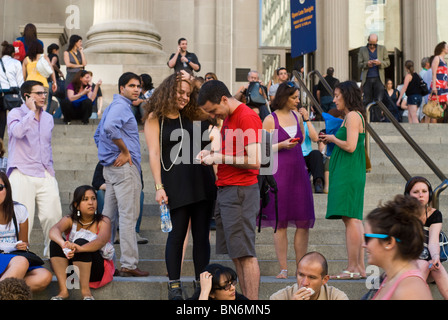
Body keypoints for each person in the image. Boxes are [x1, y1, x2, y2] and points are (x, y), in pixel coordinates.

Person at [143, 72, 216, 300]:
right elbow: (154, 154)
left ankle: (200, 284)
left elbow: (209, 94)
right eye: (179, 92)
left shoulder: (197, 114)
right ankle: (174, 286)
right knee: (176, 235)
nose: (184, 97)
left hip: (202, 180)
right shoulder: (155, 117)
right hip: (174, 183)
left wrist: (193, 81)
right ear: (167, 91)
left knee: (202, 236)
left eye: (187, 93)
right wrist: (158, 187)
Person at [196, 80, 262, 300]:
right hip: (227, 189)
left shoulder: (247, 116)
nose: (213, 115)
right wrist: (210, 154)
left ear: (224, 99)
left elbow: (255, 161)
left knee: (245, 255)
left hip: (240, 191)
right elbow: (232, 153)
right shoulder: (229, 118)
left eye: (213, 110)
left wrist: (219, 157)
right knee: (237, 254)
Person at [94, 72, 149, 278]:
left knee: (108, 218)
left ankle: (107, 263)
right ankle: (128, 263)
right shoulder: (120, 107)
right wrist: (124, 152)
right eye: (132, 86)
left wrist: (108, 155)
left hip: (112, 170)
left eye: (138, 86)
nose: (136, 89)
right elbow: (107, 128)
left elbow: (98, 135)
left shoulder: (112, 106)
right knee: (127, 217)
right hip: (125, 170)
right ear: (121, 88)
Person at [261, 82, 315, 279]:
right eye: (294, 97)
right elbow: (262, 150)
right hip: (279, 174)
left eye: (298, 97)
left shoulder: (298, 116)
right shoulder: (269, 119)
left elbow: (307, 141)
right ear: (284, 98)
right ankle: (283, 268)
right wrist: (281, 144)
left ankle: (301, 267)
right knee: (280, 222)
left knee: (303, 221)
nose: (298, 101)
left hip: (299, 174)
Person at [7, 80, 63, 258]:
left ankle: (52, 256)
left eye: (44, 92)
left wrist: (50, 170)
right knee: (24, 219)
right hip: (21, 172)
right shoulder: (16, 113)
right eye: (38, 93)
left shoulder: (47, 117)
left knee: (53, 216)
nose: (43, 96)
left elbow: (47, 145)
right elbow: (16, 132)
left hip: (45, 172)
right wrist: (30, 113)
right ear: (27, 96)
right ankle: (20, 258)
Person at [319, 81, 366, 280]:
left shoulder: (353, 116)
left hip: (349, 172)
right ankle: (359, 268)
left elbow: (351, 146)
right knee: (351, 219)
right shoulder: (350, 116)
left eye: (337, 95)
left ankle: (354, 268)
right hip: (347, 171)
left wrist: (332, 139)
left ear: (347, 96)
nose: (334, 99)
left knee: (352, 219)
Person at [49, 185, 115, 300]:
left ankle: (86, 293)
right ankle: (63, 291)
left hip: (96, 269)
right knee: (55, 243)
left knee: (80, 242)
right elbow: (53, 230)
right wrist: (63, 244)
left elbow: (101, 241)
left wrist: (79, 248)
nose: (91, 203)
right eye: (85, 199)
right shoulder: (70, 219)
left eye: (93, 198)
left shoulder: (103, 221)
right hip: (73, 270)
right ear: (77, 205)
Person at [364, 195, 433, 300]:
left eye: (367, 238)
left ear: (389, 242)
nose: (363, 245)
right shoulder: (390, 279)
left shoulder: (410, 290)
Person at [0, 171, 52, 293]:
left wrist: (23, 245)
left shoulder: (19, 210)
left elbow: (24, 243)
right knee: (21, 261)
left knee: (44, 276)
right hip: (14, 260)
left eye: (0, 187)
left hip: (14, 257)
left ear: (7, 189)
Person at [404, 176, 448, 299]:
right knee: (423, 264)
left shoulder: (434, 214)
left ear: (429, 194)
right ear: (408, 195)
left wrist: (435, 258)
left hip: (425, 262)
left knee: (436, 267)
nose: (421, 195)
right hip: (407, 264)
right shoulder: (402, 214)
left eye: (424, 191)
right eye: (416, 192)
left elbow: (433, 241)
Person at [91, 162, 147, 244]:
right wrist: (113, 187)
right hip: (109, 192)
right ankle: (109, 232)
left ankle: (133, 232)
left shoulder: (133, 163)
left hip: (128, 192)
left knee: (140, 194)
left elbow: (140, 184)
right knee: (100, 193)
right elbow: (96, 183)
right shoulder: (103, 163)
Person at [270, 252, 349, 300]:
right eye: (301, 275)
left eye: (312, 277)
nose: (304, 283)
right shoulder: (279, 297)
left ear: (324, 280)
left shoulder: (336, 297)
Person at [358, 34, 390, 120]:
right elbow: (359, 64)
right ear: (368, 42)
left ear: (377, 42)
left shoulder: (382, 49)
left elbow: (387, 62)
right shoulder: (362, 49)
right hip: (367, 78)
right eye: (370, 44)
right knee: (367, 100)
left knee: (378, 101)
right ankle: (367, 119)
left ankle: (377, 120)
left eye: (374, 44)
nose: (372, 46)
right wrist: (366, 64)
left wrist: (380, 63)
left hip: (378, 78)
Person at [0, 41, 24, 140]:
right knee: (15, 118)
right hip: (12, 94)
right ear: (13, 53)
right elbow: (20, 81)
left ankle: (0, 143)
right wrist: (23, 98)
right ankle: (15, 141)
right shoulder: (16, 63)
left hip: (0, 93)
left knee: (1, 121)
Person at [22, 40, 57, 106]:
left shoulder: (26, 60)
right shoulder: (44, 57)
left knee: (31, 106)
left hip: (30, 86)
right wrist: (54, 83)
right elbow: (51, 70)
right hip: (43, 85)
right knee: (43, 105)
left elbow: (23, 76)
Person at [299, 107, 325, 193]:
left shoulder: (306, 124)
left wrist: (307, 120)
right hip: (294, 156)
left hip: (307, 156)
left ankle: (318, 182)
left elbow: (315, 138)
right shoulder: (287, 124)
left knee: (316, 154)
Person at [430, 41, 448, 122]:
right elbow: (434, 73)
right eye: (447, 47)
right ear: (443, 48)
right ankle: (433, 129)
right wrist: (434, 86)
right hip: (437, 86)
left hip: (444, 87)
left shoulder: (444, 61)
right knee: (435, 108)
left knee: (442, 107)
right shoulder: (437, 58)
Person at [46, 43, 64, 117]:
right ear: (54, 50)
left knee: (48, 103)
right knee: (63, 102)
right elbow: (52, 64)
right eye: (58, 50)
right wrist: (60, 71)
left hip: (47, 83)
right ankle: (55, 118)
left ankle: (45, 119)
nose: (58, 52)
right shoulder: (55, 56)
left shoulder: (46, 57)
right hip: (54, 83)